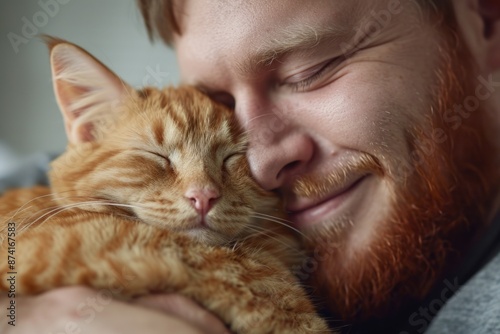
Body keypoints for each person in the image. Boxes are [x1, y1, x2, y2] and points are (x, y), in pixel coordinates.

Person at [1, 0, 499, 333]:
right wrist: (20, 317)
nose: (256, 166)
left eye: (312, 70)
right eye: (219, 102)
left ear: (487, 20)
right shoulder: (81, 190)